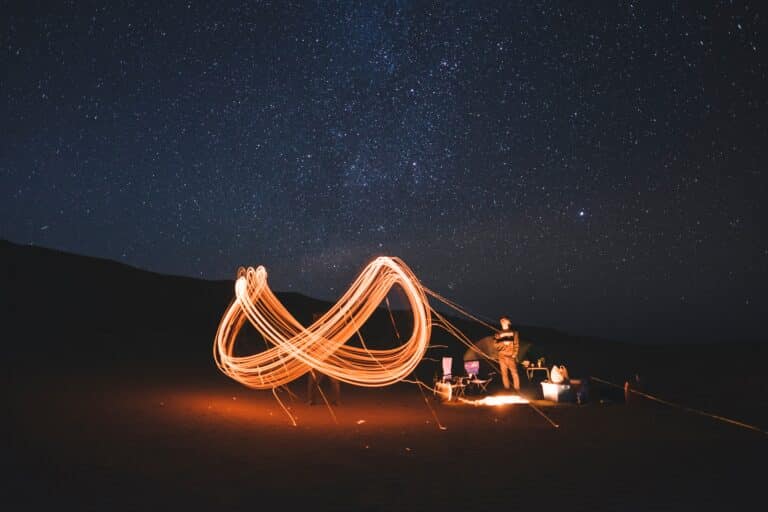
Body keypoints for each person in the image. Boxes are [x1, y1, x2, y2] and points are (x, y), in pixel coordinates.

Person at [306, 312, 341, 405]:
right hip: (321, 359)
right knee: (314, 381)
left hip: (327, 359)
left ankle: (334, 400)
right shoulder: (318, 332)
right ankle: (312, 400)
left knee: (331, 382)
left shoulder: (325, 331)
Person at [494, 316, 520, 392]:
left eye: (504, 321)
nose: (502, 322)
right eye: (501, 321)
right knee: (504, 374)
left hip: (510, 356)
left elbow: (516, 344)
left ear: (508, 322)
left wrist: (514, 354)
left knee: (514, 373)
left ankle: (517, 390)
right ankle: (507, 389)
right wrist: (500, 341)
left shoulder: (514, 333)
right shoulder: (498, 334)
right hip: (502, 356)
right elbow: (495, 346)